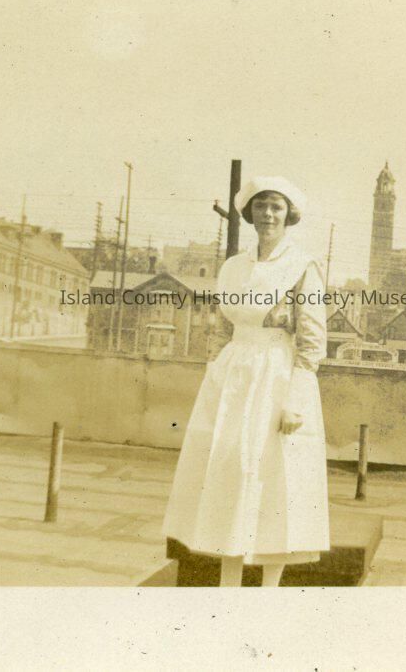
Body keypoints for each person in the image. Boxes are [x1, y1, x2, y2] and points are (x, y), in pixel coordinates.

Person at [161, 176, 330, 587]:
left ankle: (268, 589)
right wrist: (216, 373)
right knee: (228, 473)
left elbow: (312, 340)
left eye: (276, 207)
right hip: (234, 375)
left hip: (276, 376)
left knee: (274, 476)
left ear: (289, 214)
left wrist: (296, 401)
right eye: (260, 206)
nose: (268, 214)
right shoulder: (234, 267)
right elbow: (222, 327)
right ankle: (229, 585)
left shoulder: (303, 267)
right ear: (250, 213)